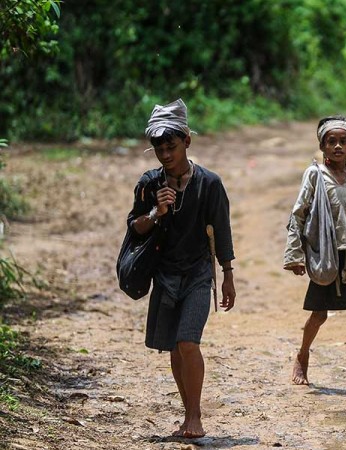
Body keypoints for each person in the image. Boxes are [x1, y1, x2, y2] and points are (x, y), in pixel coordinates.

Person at [126, 98, 236, 438]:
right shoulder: (149, 184)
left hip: (199, 275)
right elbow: (135, 227)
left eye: (171, 146)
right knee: (174, 347)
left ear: (187, 141)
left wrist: (228, 274)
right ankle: (188, 416)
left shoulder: (210, 184)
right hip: (165, 276)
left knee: (188, 343)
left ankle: (196, 416)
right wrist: (156, 214)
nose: (165, 155)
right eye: (159, 149)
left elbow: (222, 229)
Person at [283, 115, 346, 386]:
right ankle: (302, 355)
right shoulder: (315, 175)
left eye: (342, 141)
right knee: (319, 314)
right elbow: (298, 214)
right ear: (322, 147)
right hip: (325, 255)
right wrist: (295, 255)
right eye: (330, 141)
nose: (337, 146)